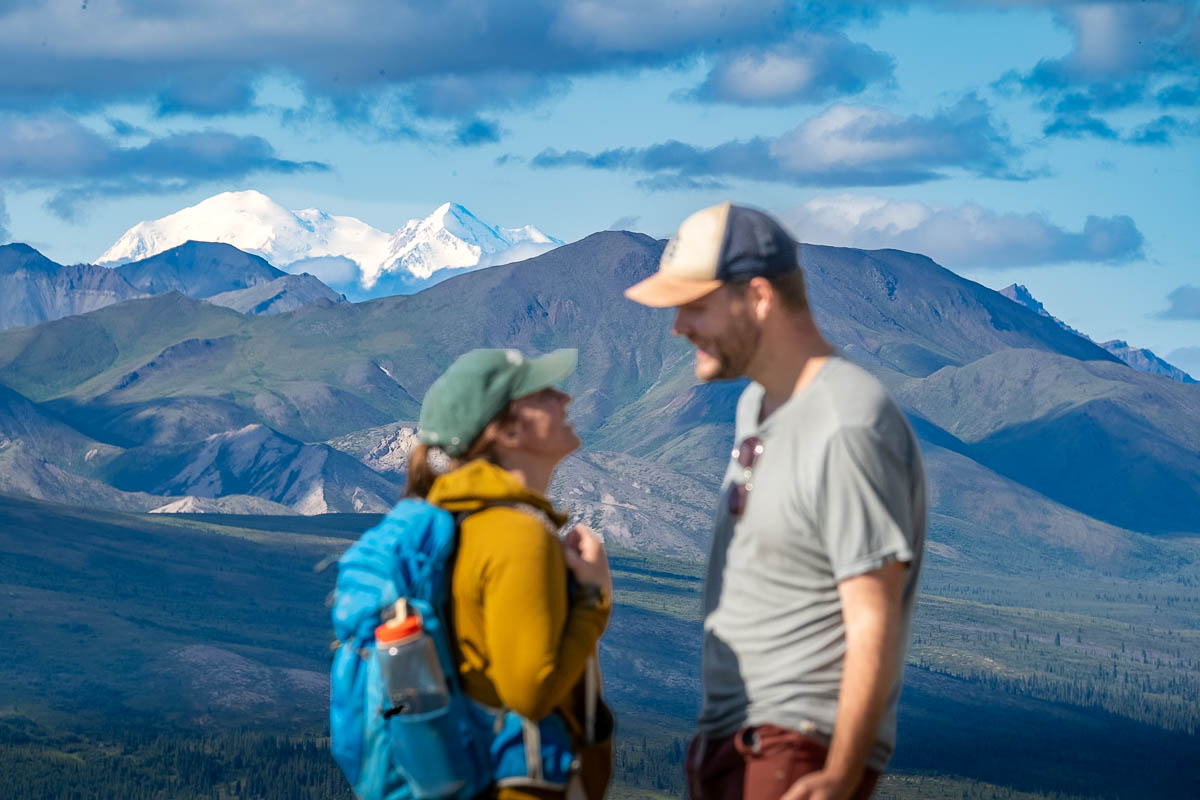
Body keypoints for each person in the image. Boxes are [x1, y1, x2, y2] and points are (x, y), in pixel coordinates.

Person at [624, 203, 926, 800]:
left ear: (757, 296)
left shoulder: (845, 423)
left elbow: (873, 617)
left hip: (795, 750)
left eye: (696, 305)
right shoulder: (757, 408)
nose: (678, 326)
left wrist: (838, 775)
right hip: (735, 743)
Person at [405, 347, 614, 800]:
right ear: (506, 431)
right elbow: (531, 692)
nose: (565, 398)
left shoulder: (466, 521)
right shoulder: (517, 535)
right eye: (543, 393)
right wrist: (594, 598)